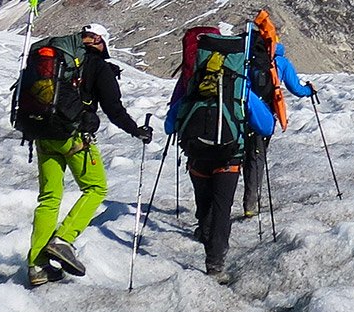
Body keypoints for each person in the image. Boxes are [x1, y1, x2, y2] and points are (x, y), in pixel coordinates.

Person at [27, 22, 153, 287]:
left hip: (42, 133)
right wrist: (136, 131)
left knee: (49, 198)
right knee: (96, 187)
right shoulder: (98, 66)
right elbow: (114, 109)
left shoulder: (54, 58)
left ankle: (37, 266)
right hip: (73, 137)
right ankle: (63, 240)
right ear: (101, 42)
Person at [165, 36, 275, 283]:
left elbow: (169, 125)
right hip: (229, 157)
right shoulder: (240, 89)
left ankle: (204, 233)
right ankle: (214, 263)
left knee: (204, 203)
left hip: (196, 156)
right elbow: (266, 126)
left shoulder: (194, 86)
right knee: (222, 208)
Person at [243, 35, 316, 218]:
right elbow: (297, 89)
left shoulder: (244, 58)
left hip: (239, 112)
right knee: (257, 157)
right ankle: (250, 204)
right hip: (264, 115)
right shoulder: (280, 62)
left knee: (240, 156)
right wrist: (309, 90)